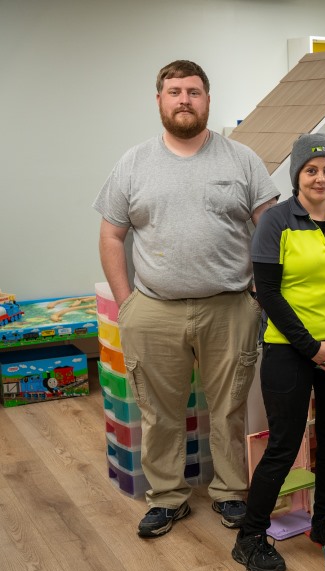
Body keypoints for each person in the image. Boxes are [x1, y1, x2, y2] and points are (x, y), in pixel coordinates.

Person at [94, 60, 279, 538]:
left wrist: (260, 294)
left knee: (229, 408)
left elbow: (271, 231)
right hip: (153, 309)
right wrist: (126, 301)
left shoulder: (242, 160)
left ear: (207, 100)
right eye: (174, 91)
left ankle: (230, 492)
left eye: (193, 92)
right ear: (159, 100)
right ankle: (168, 497)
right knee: (158, 412)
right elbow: (112, 236)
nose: (184, 100)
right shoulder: (133, 163)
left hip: (230, 306)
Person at [231, 134, 325, 571]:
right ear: (296, 176)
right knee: (285, 444)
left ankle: (324, 522)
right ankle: (250, 537)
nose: (320, 177)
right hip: (289, 350)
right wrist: (311, 348)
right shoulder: (275, 221)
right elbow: (267, 292)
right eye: (311, 170)